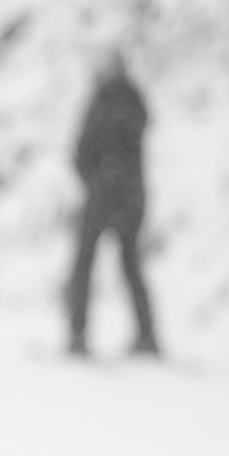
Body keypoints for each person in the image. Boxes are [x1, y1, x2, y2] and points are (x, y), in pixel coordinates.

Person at [66, 49, 160, 359]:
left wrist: (92, 177)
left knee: (84, 263)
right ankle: (147, 335)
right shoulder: (134, 101)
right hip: (132, 196)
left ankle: (77, 335)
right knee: (131, 265)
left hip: (102, 195)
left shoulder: (100, 104)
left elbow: (81, 151)